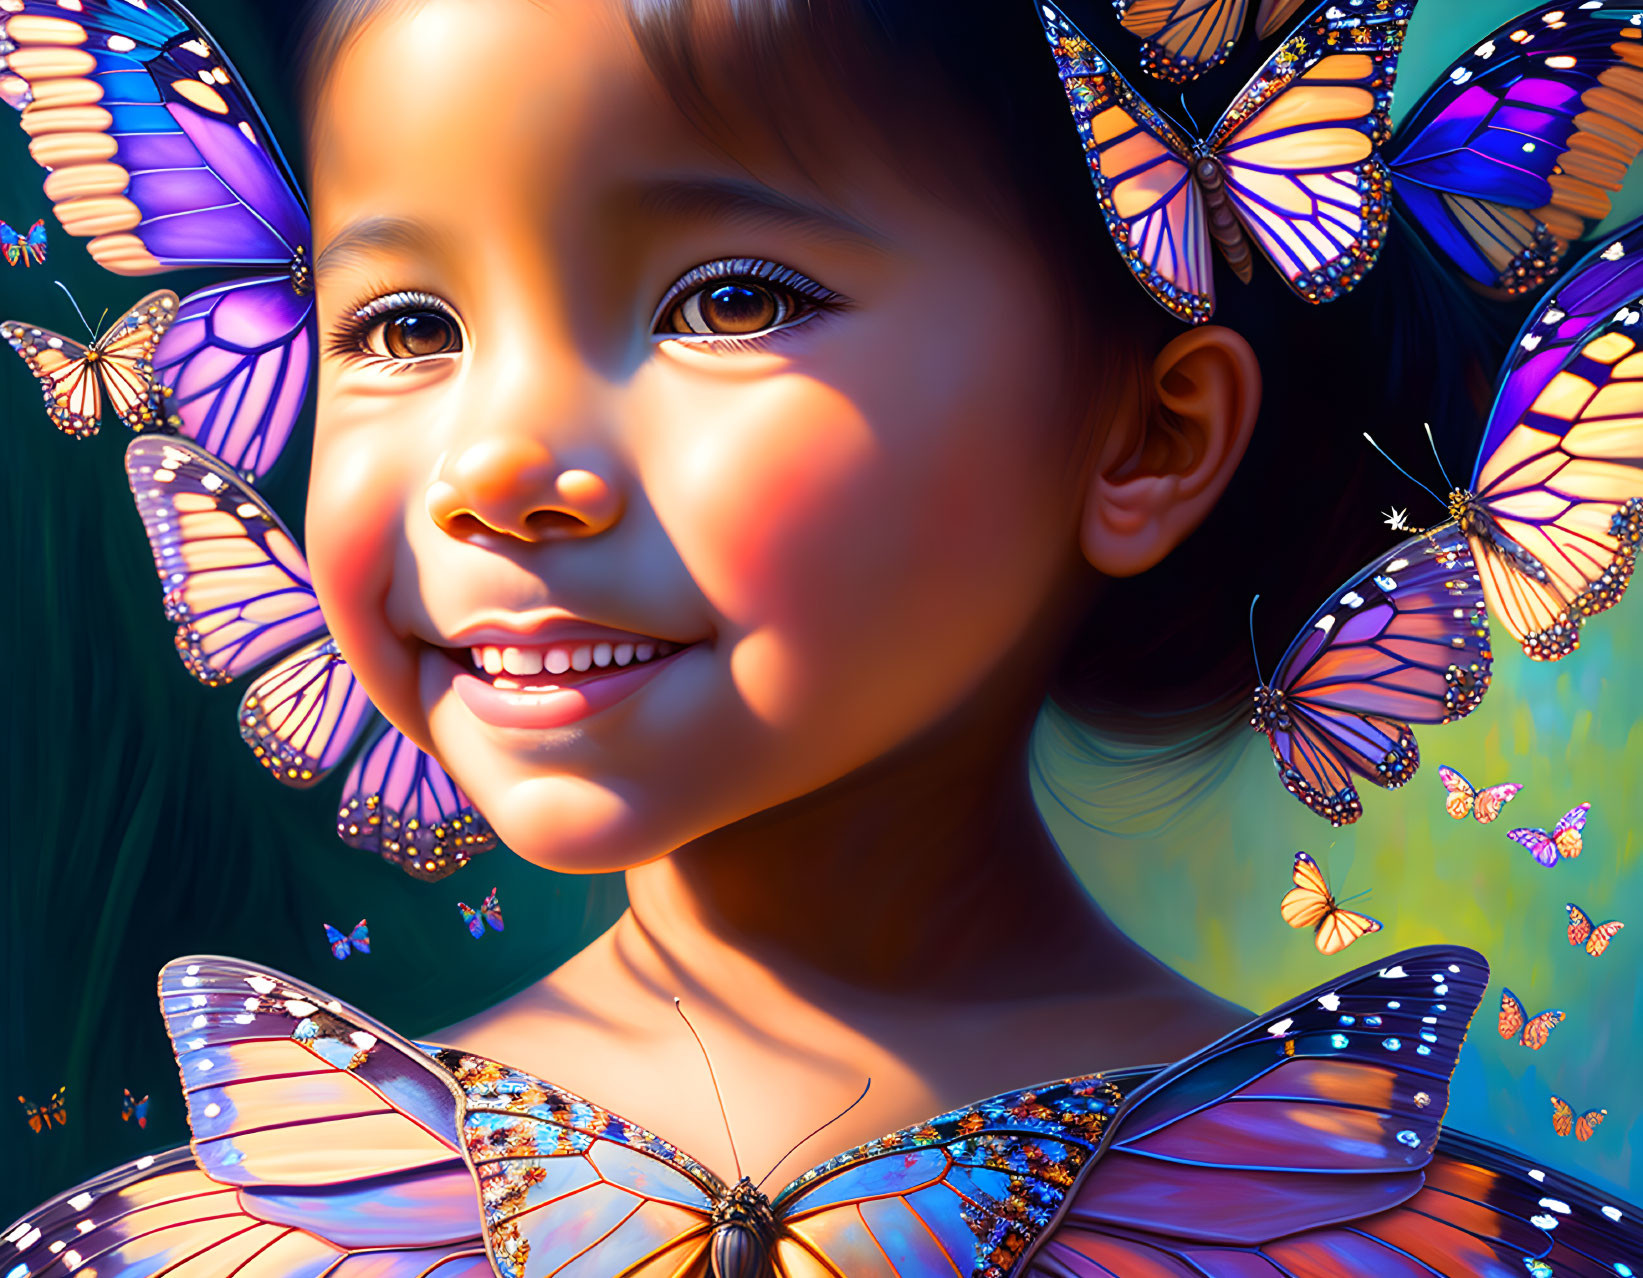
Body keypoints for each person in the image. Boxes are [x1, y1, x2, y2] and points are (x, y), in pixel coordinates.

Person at [1, 0, 1638, 1273]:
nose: (493, 470)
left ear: (1145, 438)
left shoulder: (1380, 1226)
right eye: (404, 325)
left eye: (728, 300)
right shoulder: (259, 1223)